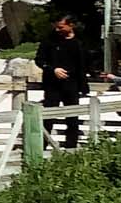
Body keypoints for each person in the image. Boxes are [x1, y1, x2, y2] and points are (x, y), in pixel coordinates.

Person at [36, 13, 89, 149]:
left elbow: (83, 65)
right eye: (57, 27)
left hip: (72, 85)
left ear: (71, 26)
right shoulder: (49, 40)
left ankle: (71, 146)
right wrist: (53, 69)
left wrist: (84, 86)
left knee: (72, 117)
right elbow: (39, 60)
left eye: (61, 27)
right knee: (49, 116)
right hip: (53, 85)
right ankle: (42, 146)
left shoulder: (80, 41)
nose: (57, 30)